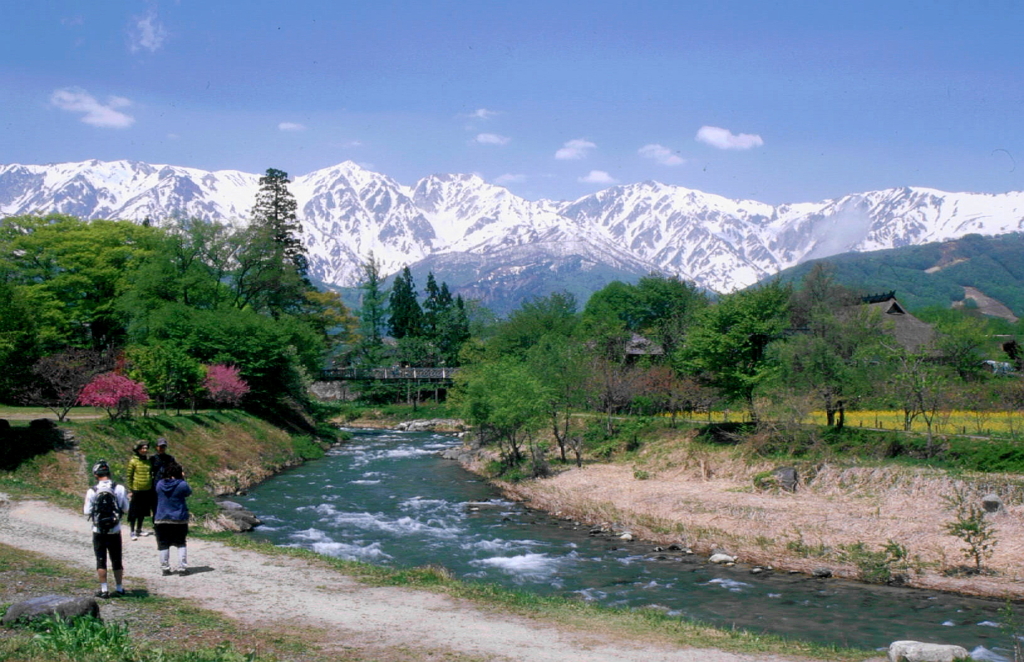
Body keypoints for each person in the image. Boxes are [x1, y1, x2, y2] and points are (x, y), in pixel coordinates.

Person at [83, 460, 130, 598]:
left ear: (95, 475)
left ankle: (104, 590)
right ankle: (119, 588)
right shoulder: (119, 488)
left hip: (99, 530)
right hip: (115, 530)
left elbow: (86, 511)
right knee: (117, 559)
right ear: (109, 473)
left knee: (101, 559)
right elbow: (126, 509)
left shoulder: (92, 491)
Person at [154, 461, 192, 576]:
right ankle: (182, 568)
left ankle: (165, 568)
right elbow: (188, 493)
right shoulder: (182, 484)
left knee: (163, 544)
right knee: (181, 543)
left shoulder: (160, 484)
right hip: (179, 518)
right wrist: (182, 479)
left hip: (161, 518)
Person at [125, 440, 154, 540]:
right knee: (134, 512)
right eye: (143, 448)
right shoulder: (133, 461)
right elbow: (129, 476)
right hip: (136, 490)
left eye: (146, 448)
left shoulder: (148, 461)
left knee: (142, 511)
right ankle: (132, 531)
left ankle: (139, 529)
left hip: (146, 489)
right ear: (138, 449)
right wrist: (131, 489)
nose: (145, 450)